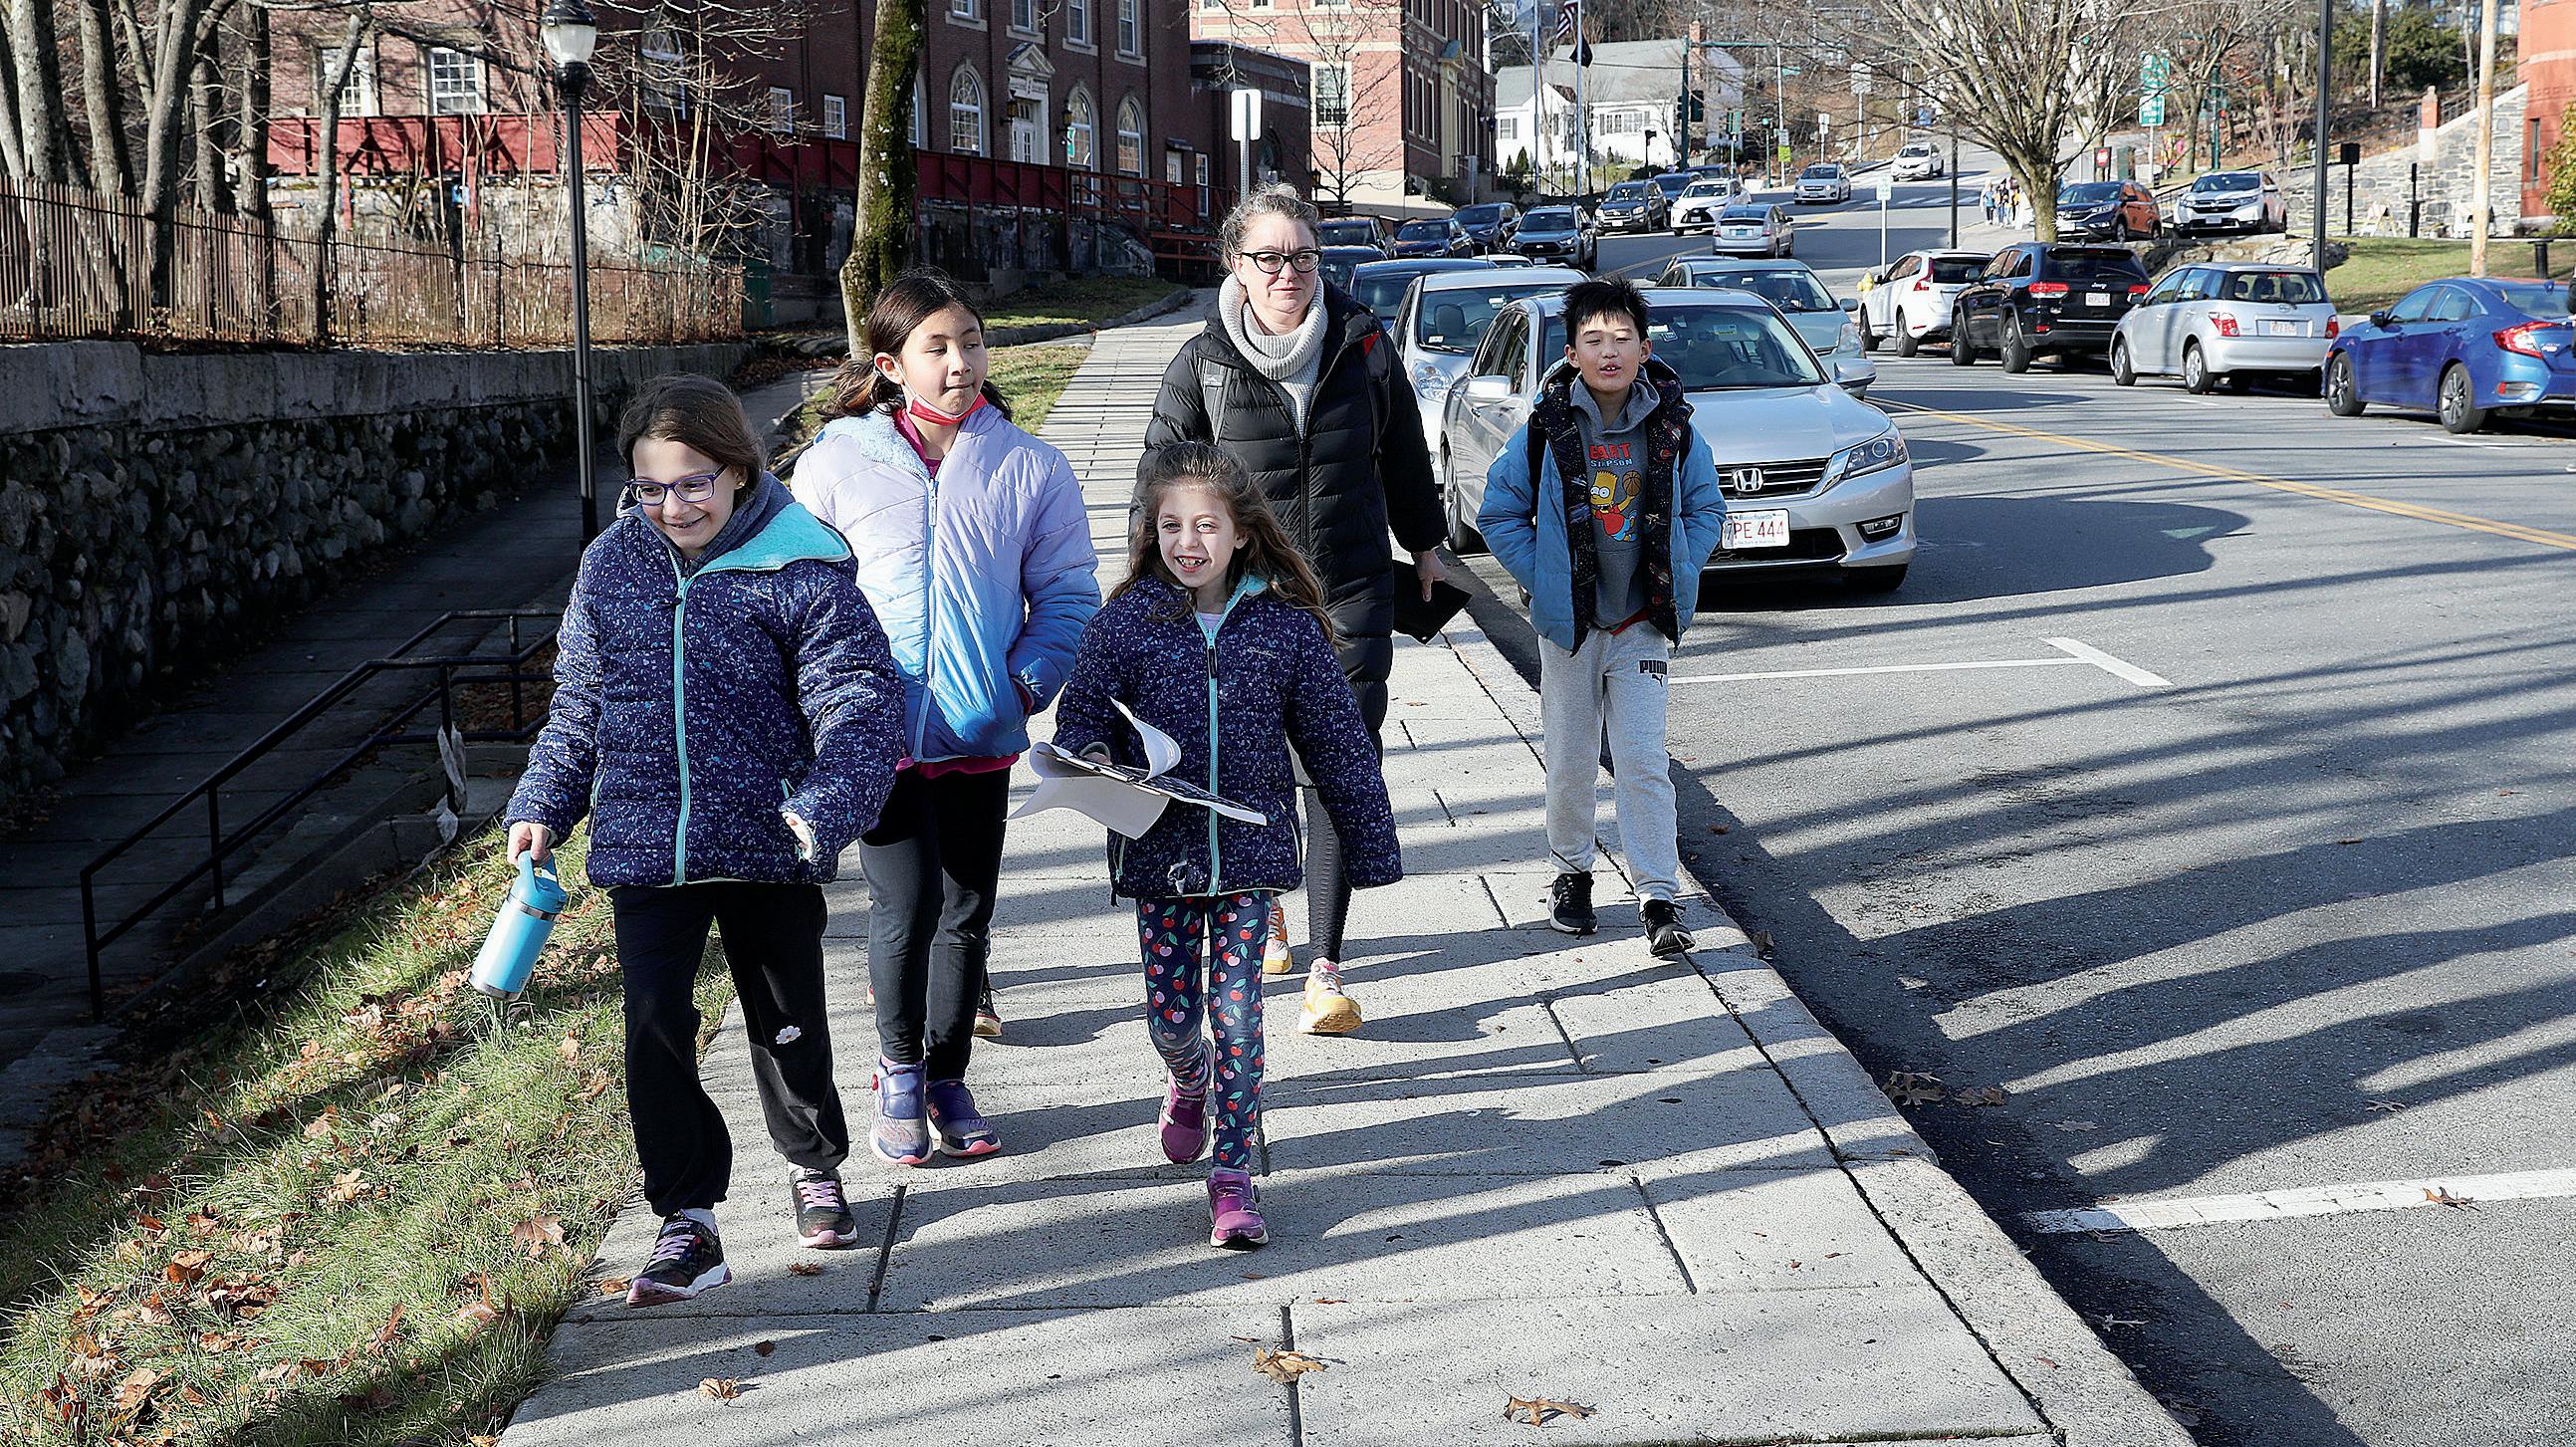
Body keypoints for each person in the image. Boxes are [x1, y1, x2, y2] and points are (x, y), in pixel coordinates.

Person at [505, 373, 904, 1307]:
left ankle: (813, 1161)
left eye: (693, 483)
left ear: (738, 470)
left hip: (768, 839)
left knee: (785, 1019)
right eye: (651, 487)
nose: (673, 506)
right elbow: (581, 702)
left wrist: (825, 803)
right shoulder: (612, 566)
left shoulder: (801, 565)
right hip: (647, 842)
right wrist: (544, 799)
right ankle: (687, 1218)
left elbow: (857, 700)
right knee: (653, 1025)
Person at [1054, 442, 1400, 1249]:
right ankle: (1187, 1079)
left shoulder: (1284, 629)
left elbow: (1339, 746)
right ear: (1151, 531)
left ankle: (1234, 1175)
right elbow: (1079, 722)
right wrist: (1094, 756)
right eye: (1170, 524)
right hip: (1160, 859)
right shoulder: (1125, 623)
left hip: (1249, 861)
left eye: (1205, 524)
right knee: (1172, 1020)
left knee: (1239, 1018)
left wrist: (1371, 845)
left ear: (1241, 531)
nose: (1188, 541)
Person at [793, 271, 1100, 1165]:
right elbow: (797, 595)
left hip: (979, 729)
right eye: (938, 347)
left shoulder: (1030, 466)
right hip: (872, 732)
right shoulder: (834, 463)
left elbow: (1067, 593)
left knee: (966, 907)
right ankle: (898, 1068)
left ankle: (947, 1076)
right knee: (906, 902)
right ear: (891, 365)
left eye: (971, 341)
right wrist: (828, 702)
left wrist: (1020, 688)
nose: (962, 361)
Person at [1139, 181, 1443, 1038]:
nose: (1288, 273)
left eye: (1303, 256)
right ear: (1235, 264)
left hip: (1348, 589)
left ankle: (1325, 968)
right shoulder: (1200, 363)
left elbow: (1404, 453)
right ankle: (1270, 910)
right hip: (1239, 603)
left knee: (1339, 768)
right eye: (1268, 257)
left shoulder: (1363, 343)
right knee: (1253, 770)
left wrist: (1425, 545)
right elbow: (1156, 482)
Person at [1478, 278, 1726, 957]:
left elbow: (1706, 508)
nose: (1608, 351)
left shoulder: (1673, 428)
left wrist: (1680, 564)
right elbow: (1498, 513)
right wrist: (1545, 580)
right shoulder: (1545, 429)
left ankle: (1659, 894)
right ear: (1572, 352)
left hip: (1641, 622)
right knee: (1570, 760)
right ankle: (1572, 875)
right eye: (1593, 340)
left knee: (1643, 760)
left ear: (1644, 349)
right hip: (1570, 629)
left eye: (1622, 338)